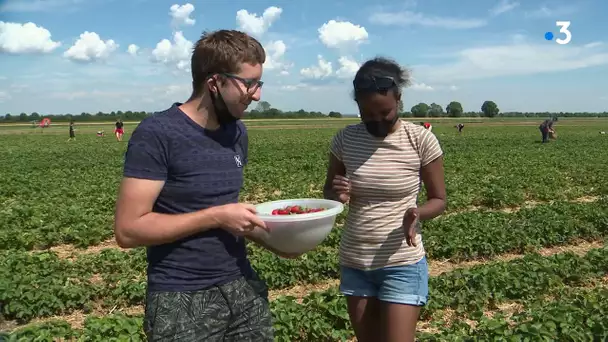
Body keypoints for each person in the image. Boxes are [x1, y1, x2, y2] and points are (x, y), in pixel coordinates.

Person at [113, 30, 295, 342]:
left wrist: (285, 242)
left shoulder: (237, 133)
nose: (257, 95)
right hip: (181, 299)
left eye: (259, 83)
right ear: (214, 83)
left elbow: (231, 218)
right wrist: (215, 216)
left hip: (242, 287)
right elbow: (128, 230)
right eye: (249, 84)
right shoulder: (158, 133)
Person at [323, 57, 446, 342]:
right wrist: (337, 194)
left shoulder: (420, 140)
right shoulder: (345, 140)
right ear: (358, 106)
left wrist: (418, 213)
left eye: (386, 113)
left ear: (399, 100)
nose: (377, 121)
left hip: (402, 261)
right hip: (356, 261)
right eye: (368, 115)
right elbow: (329, 191)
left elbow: (439, 199)